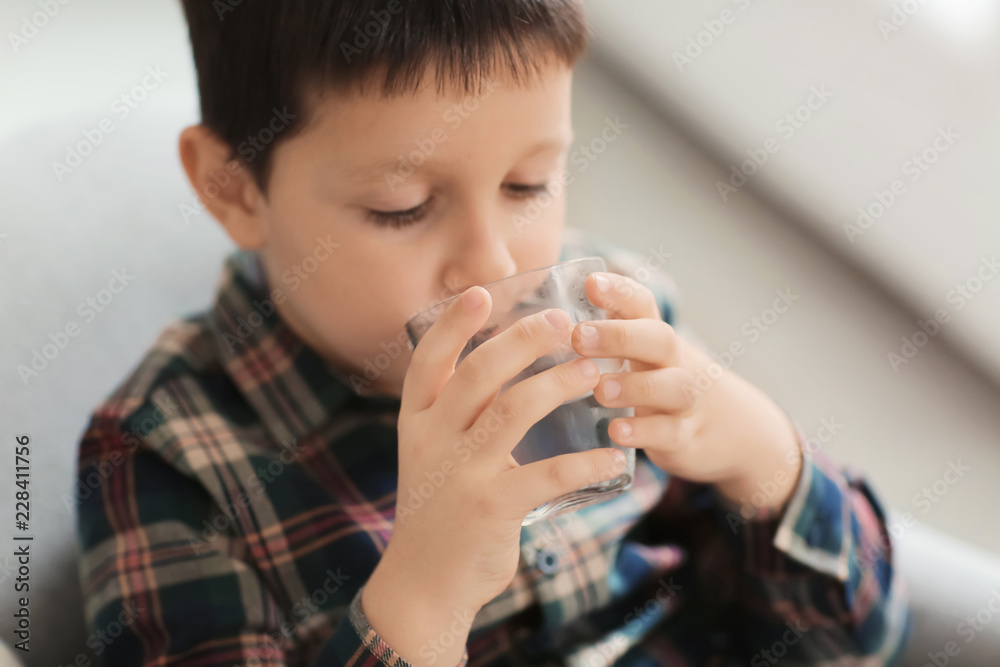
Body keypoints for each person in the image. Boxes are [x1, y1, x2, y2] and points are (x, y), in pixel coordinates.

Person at [74, 1, 911, 664]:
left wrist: (760, 454)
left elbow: (856, 643)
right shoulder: (166, 457)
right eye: (403, 208)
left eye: (528, 184)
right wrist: (424, 595)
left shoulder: (613, 315)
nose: (491, 262)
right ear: (233, 188)